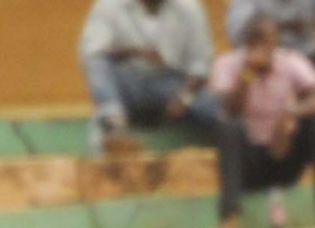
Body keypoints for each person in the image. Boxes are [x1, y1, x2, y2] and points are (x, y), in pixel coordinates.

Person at [212, 15, 315, 228]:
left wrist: (291, 111)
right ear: (247, 43)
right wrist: (247, 73)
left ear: (276, 43)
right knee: (229, 127)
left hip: (286, 152)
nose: (264, 48)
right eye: (256, 42)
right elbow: (230, 110)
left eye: (269, 43)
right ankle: (230, 217)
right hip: (250, 161)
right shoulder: (227, 64)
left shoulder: (291, 61)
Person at [79, 0, 226, 156]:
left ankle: (239, 148)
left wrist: (184, 98)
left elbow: (201, 64)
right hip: (127, 82)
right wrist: (133, 51)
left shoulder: (189, 8)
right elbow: (93, 50)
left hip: (172, 84)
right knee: (96, 62)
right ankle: (115, 127)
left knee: (215, 106)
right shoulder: (109, 5)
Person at [225, 0, 315, 117]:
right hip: (267, 63)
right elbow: (236, 36)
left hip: (306, 62)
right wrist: (276, 28)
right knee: (248, 64)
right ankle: (264, 125)